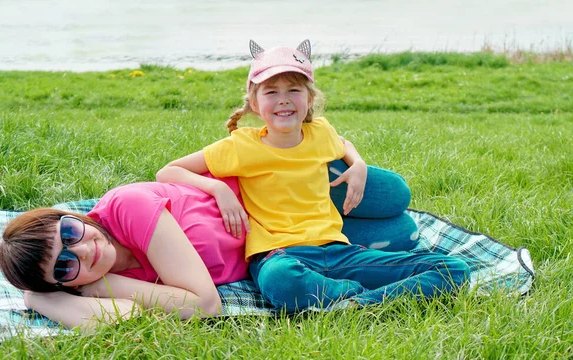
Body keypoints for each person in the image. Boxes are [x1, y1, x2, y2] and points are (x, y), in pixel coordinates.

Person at [156, 39, 471, 311]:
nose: (283, 99)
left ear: (309, 100)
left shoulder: (320, 133)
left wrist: (358, 164)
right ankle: (355, 297)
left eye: (294, 89)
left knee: (453, 269)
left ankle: (356, 304)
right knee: (281, 283)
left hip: (338, 250)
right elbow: (167, 171)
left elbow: (343, 143)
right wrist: (217, 188)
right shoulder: (241, 145)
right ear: (254, 102)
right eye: (271, 92)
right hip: (280, 257)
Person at [0, 176, 248, 330]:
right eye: (64, 265)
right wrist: (37, 299)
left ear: (71, 217)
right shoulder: (93, 280)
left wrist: (106, 284)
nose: (84, 251)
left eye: (69, 231)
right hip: (268, 249)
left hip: (266, 205)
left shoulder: (129, 205)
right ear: (62, 285)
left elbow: (206, 306)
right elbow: (124, 317)